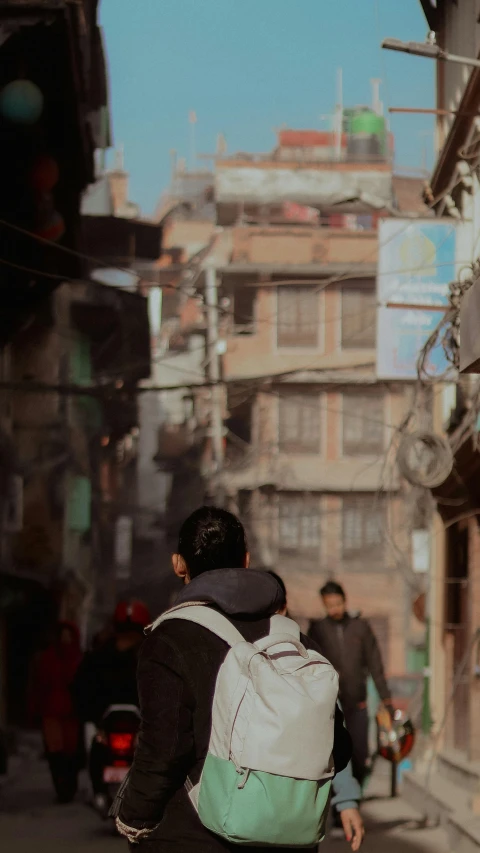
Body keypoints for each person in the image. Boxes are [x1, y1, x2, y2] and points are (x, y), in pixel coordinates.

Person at [115, 506, 352, 853]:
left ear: (179, 564)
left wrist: (133, 818)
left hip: (192, 837)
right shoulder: (293, 639)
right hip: (289, 841)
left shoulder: (169, 639)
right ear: (246, 559)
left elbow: (162, 750)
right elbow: (339, 747)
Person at [267, 570, 364, 851]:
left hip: (247, 809)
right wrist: (346, 799)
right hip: (288, 810)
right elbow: (330, 732)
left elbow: (329, 729)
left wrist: (346, 798)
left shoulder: (305, 653)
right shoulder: (306, 651)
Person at [308, 581, 394, 787]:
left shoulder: (360, 627)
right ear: (324, 605)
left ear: (344, 601)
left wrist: (386, 699)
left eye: (338, 603)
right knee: (334, 756)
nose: (335, 609)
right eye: (329, 605)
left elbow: (375, 665)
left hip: (357, 704)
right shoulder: (318, 630)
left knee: (359, 753)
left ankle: (355, 796)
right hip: (330, 705)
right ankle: (341, 808)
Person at [73, 599, 151, 806]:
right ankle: (99, 791)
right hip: (105, 722)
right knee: (95, 748)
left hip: (142, 722)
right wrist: (92, 719)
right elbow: (82, 689)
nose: (128, 639)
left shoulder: (150, 657)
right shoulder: (98, 658)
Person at [29, 621, 82, 803]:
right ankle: (61, 787)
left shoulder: (78, 658)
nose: (65, 639)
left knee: (71, 751)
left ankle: (69, 785)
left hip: (72, 712)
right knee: (55, 752)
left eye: (68, 635)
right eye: (62, 635)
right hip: (51, 711)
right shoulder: (48, 658)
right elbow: (38, 685)